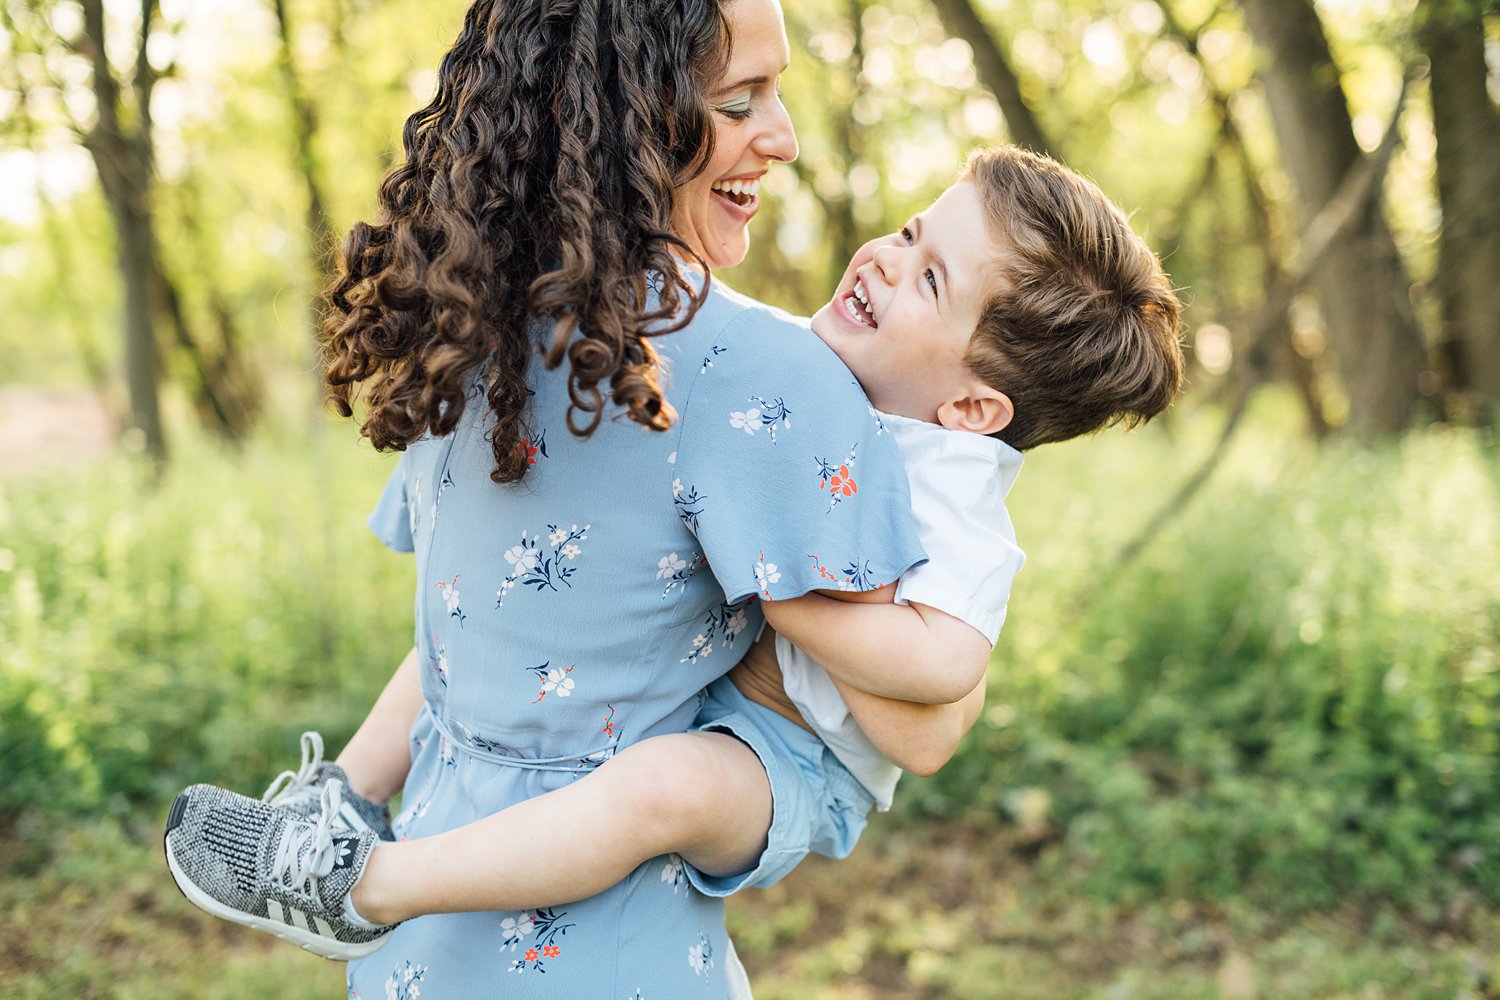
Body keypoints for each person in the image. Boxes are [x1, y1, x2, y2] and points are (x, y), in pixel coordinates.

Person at [165, 141, 1185, 979]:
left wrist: (787, 599)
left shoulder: (957, 494)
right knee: (483, 628)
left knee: (657, 791)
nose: (882, 256)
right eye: (912, 230)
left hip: (787, 760)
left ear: (972, 408)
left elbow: (943, 685)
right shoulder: (810, 365)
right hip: (716, 682)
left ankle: (368, 886)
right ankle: (339, 792)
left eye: (929, 277)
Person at [161, 1, 957, 995]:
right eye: (741, 100)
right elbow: (920, 731)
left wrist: (352, 796)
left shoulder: (467, 317)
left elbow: (471, 640)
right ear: (634, 110)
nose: (785, 138)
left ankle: (329, 827)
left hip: (410, 950)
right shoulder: (771, 379)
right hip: (610, 957)